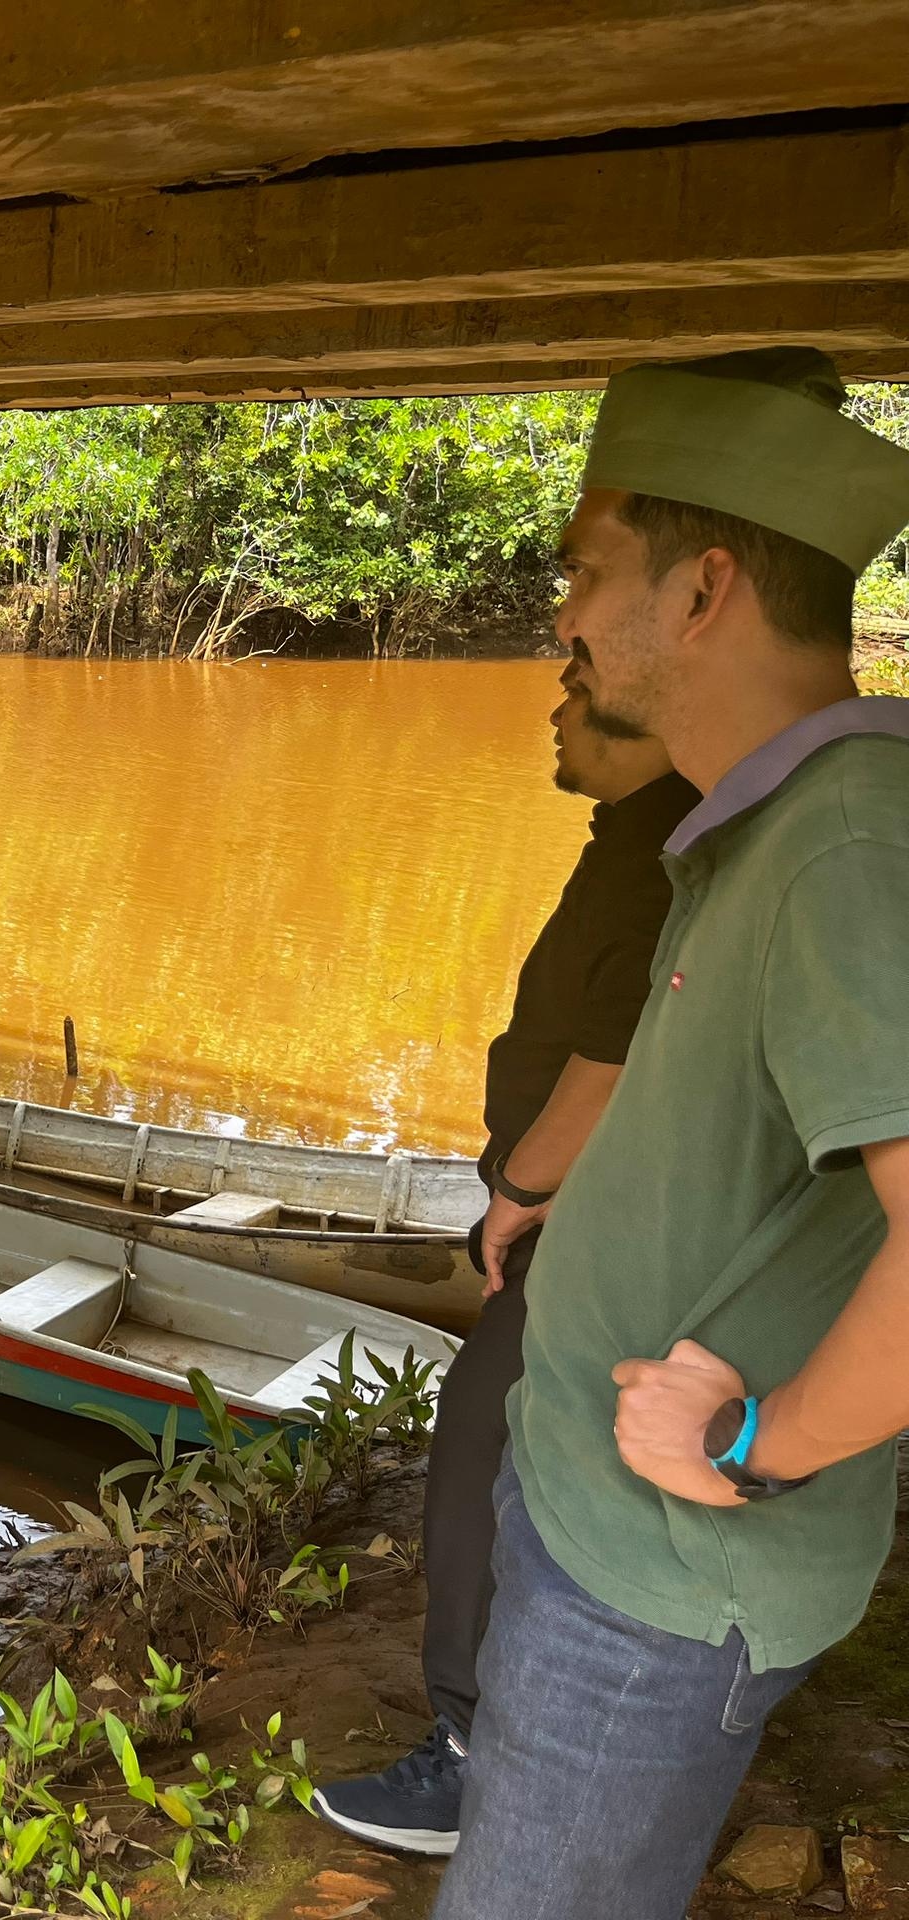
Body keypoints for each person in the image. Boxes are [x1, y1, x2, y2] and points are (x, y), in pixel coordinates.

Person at [426, 346, 909, 1920]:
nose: (563, 615)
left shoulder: (844, 840)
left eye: (587, 571)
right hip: (586, 1522)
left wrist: (773, 1443)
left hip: (655, 1588)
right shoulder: (759, 820)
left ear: (702, 593)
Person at [311, 646, 693, 1854]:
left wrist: (521, 1186)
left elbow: (616, 1046)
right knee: (539, 1465)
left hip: (580, 1218)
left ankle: (475, 1759)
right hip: (599, 1216)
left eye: (576, 688)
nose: (554, 709)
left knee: (480, 1451)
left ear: (646, 717)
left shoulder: (661, 854)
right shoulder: (649, 838)